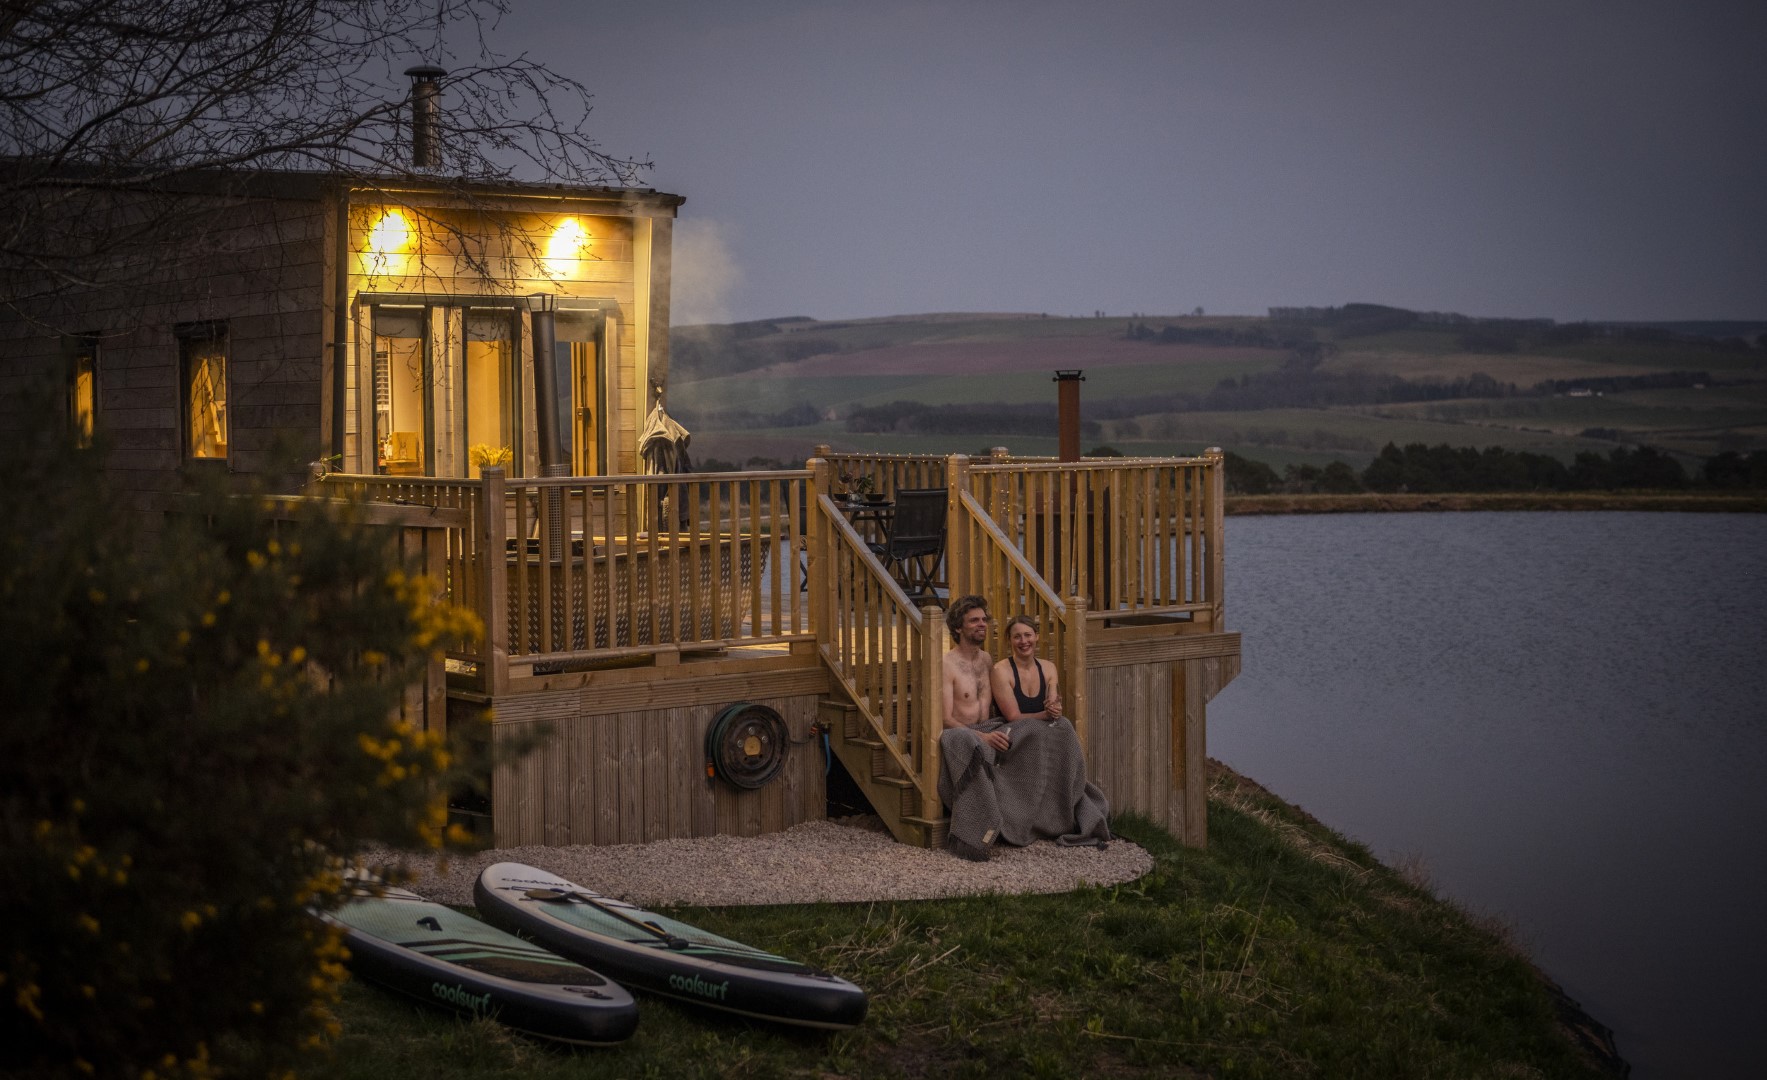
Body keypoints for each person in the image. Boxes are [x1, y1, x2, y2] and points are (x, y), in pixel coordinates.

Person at [936, 597, 1111, 860]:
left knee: (1057, 730)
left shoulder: (986, 660)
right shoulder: (947, 664)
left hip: (994, 727)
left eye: (984, 619)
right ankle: (985, 826)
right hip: (967, 732)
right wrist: (982, 736)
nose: (982, 624)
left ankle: (1056, 808)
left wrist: (1053, 708)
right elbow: (946, 719)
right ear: (958, 627)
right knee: (962, 740)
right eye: (974, 620)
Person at [991, 615, 1063, 724]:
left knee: (1064, 723)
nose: (1024, 641)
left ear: (1036, 636)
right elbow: (1013, 717)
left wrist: (1055, 710)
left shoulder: (1049, 668)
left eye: (1028, 635)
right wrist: (1045, 715)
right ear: (1009, 640)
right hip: (1013, 730)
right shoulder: (1000, 671)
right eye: (1017, 637)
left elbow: (1053, 705)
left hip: (1043, 728)